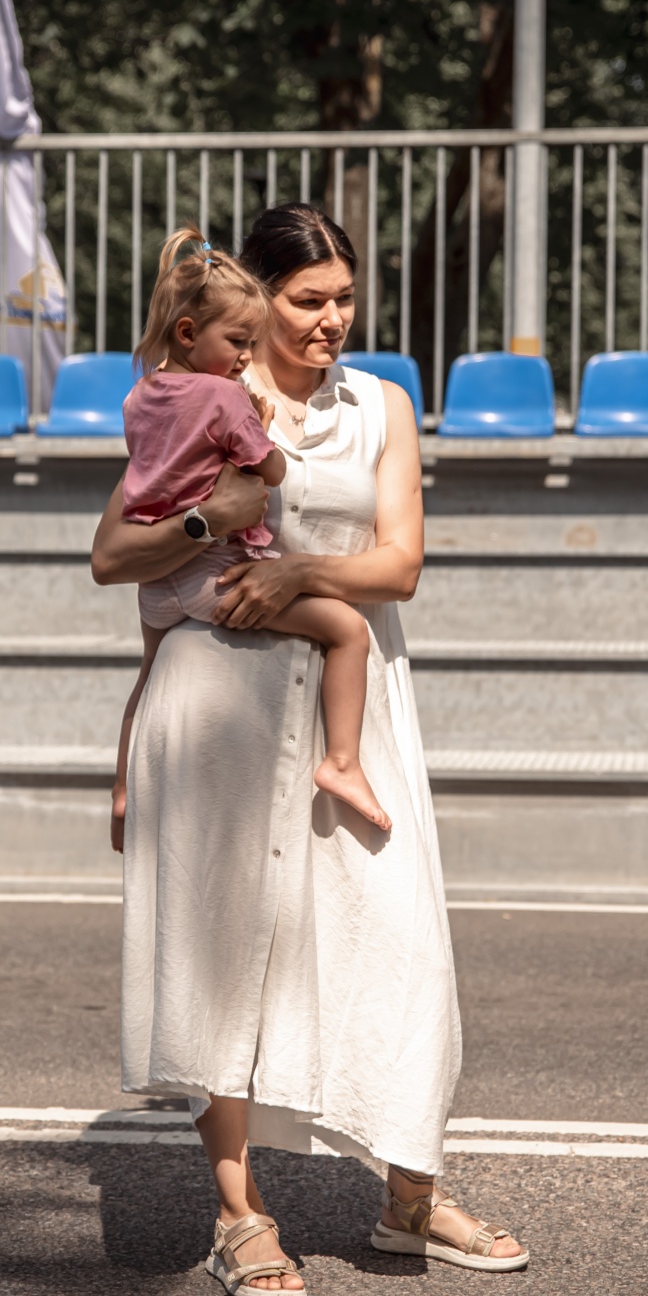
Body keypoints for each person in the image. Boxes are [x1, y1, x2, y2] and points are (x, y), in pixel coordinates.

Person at [92, 204, 527, 1296]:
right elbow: (116, 556)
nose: (332, 320)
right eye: (306, 301)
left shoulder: (381, 406)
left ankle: (411, 1197)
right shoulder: (202, 394)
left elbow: (399, 566)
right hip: (214, 710)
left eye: (344, 299)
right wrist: (211, 528)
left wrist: (297, 574)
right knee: (219, 955)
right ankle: (240, 1218)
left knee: (401, 944)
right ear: (254, 298)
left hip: (354, 716)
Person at [111, 227, 389, 838]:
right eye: (309, 300)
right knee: (348, 629)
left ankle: (124, 786)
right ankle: (343, 762)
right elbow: (272, 469)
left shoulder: (140, 394)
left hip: (159, 584)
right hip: (214, 574)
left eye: (344, 298)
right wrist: (255, 429)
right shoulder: (227, 397)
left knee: (149, 669)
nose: (244, 354)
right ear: (190, 333)